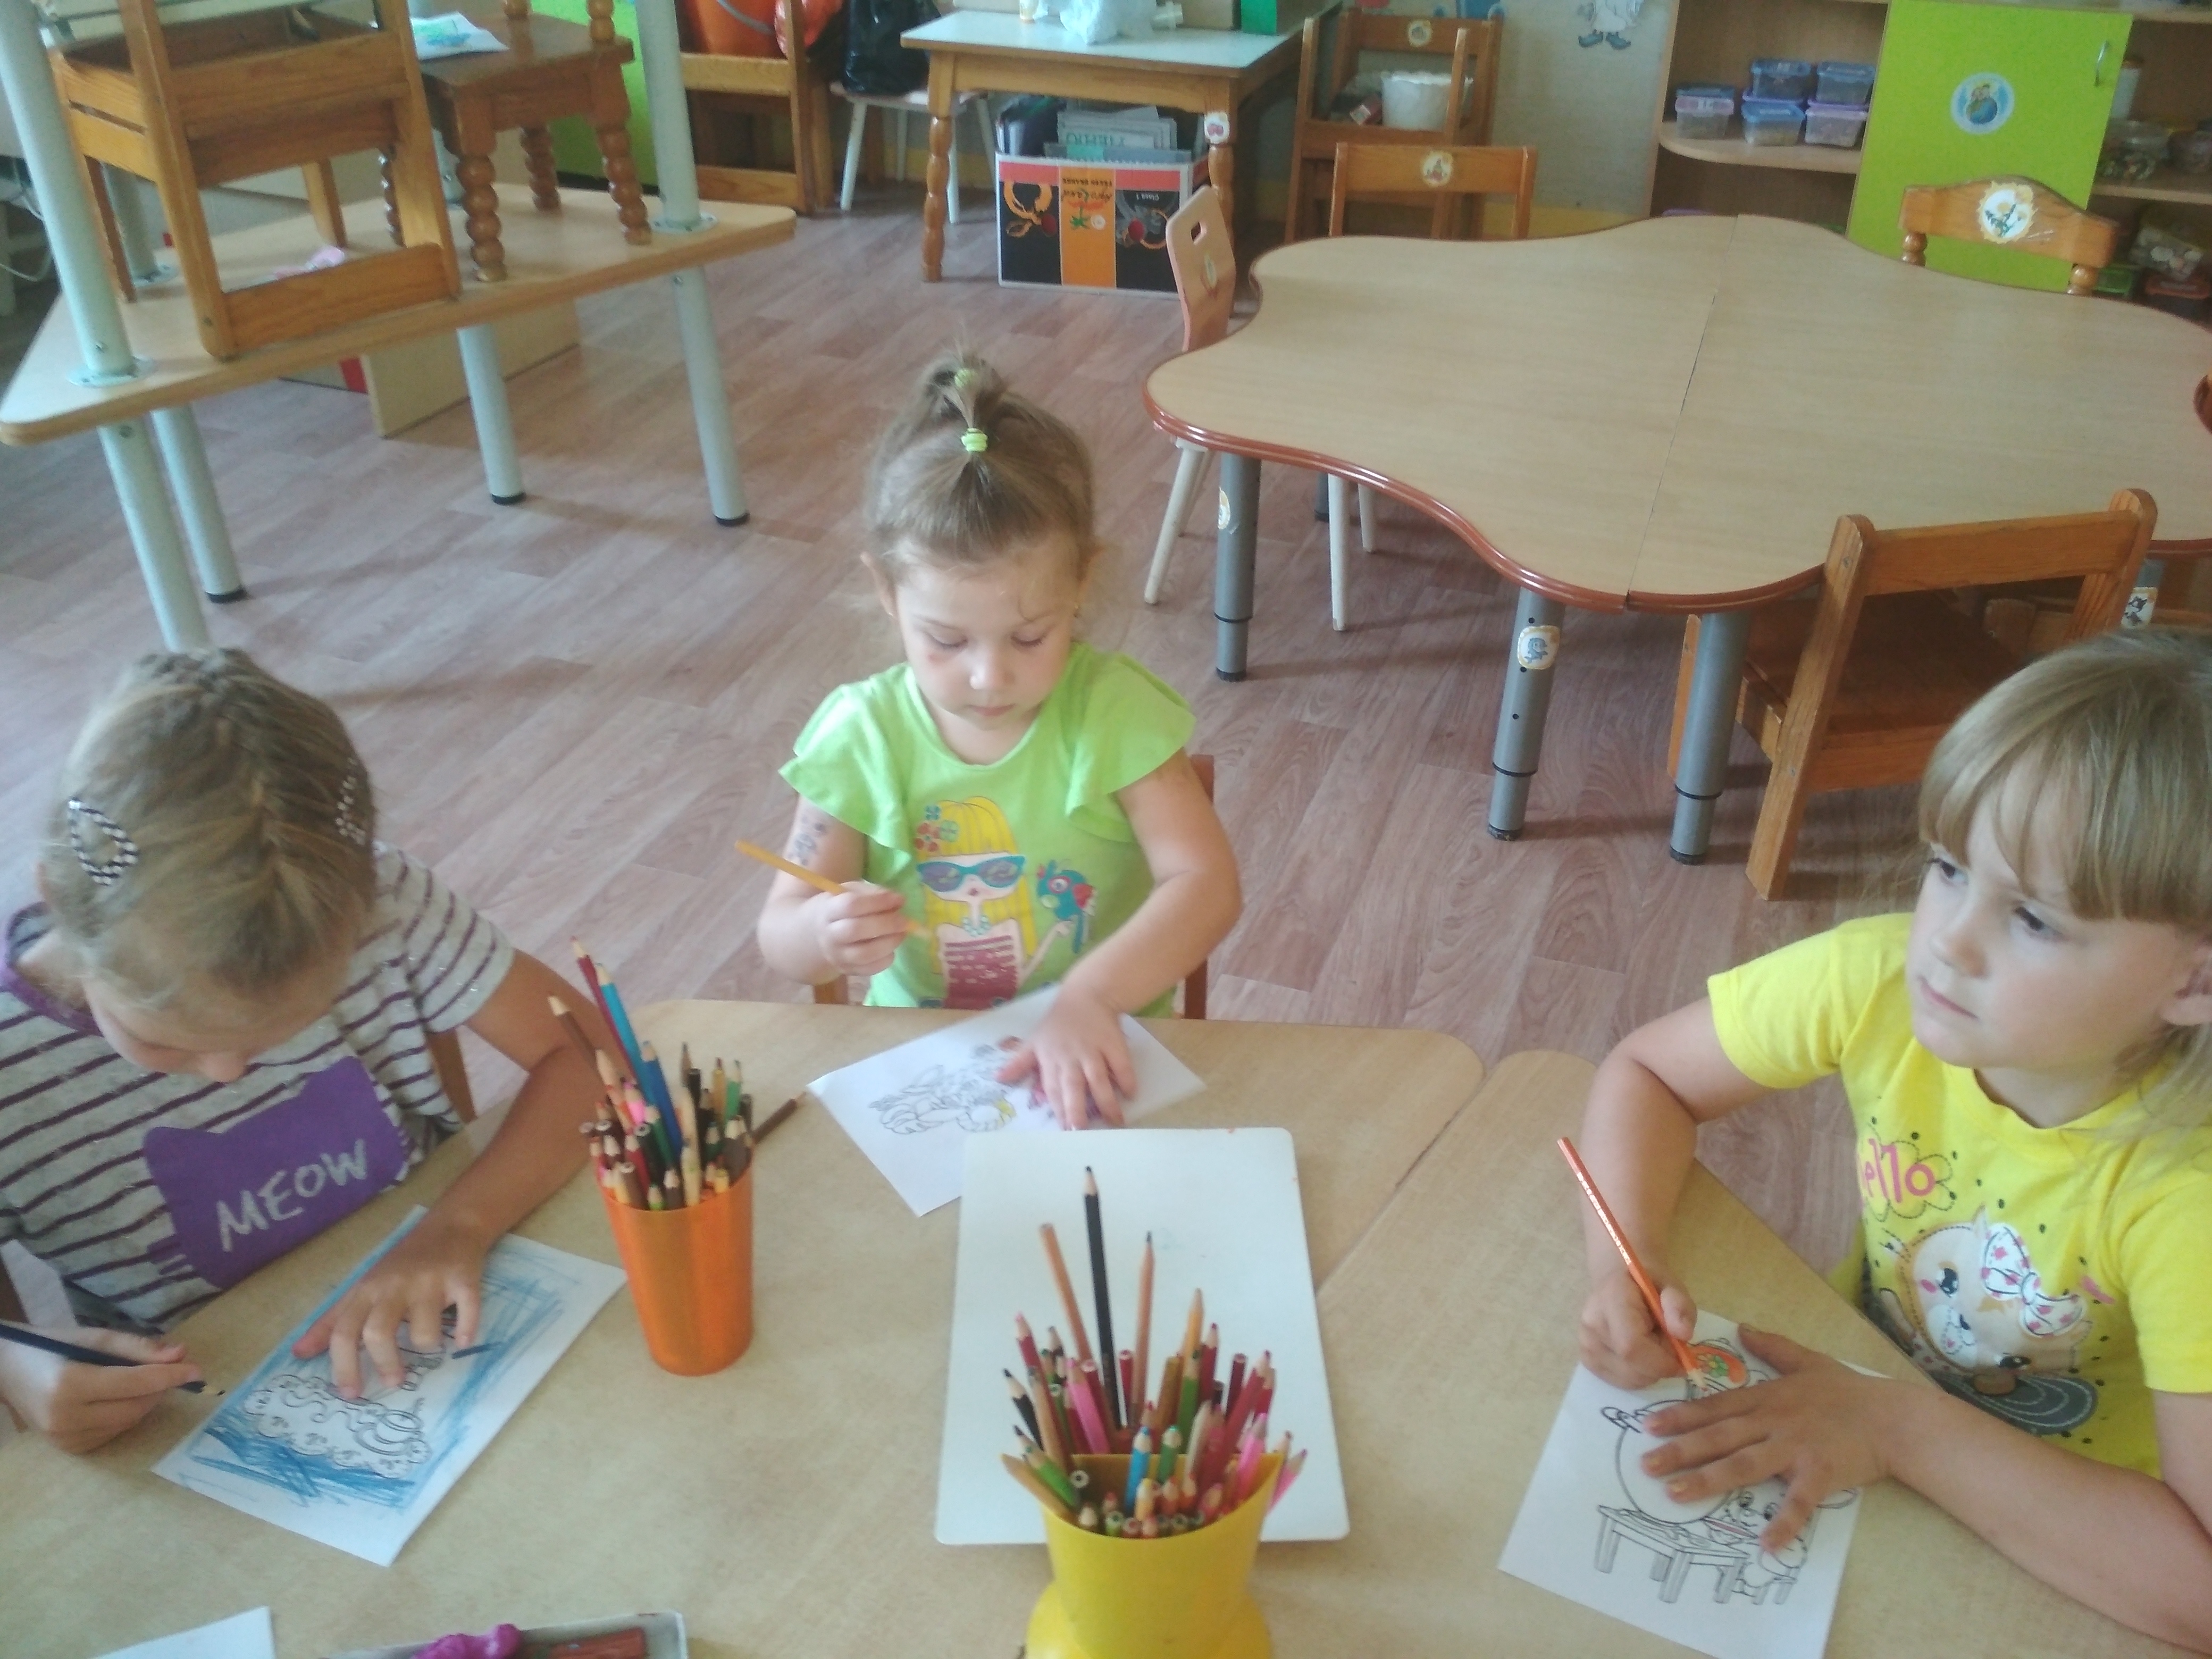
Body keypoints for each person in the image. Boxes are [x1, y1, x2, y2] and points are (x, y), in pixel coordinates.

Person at [1575, 629, 2212, 1650]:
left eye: (2035, 920)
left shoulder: (2188, 1196)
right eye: (1949, 868)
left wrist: (1897, 1426)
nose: (1947, 940)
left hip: (2073, 1540)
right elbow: (1647, 1076)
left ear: (2197, 978)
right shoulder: (1877, 981)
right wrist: (1626, 1261)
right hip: (1857, 1410)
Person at [0, 650, 605, 1450]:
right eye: (164, 1037)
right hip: (193, 1417)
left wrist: (460, 1224)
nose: (228, 1071)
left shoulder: (384, 907)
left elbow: (593, 1057)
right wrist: (15, 1364)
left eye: (283, 1030)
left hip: (442, 1308)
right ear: (57, 900)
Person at [756, 351, 1240, 1127]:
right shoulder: (861, 736)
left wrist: (1092, 996)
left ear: (1081, 583)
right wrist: (820, 933)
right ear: (886, 593)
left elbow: (1207, 885)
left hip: (1107, 1047)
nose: (989, 678)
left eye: (1029, 636)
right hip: (919, 1061)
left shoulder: (1114, 713)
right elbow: (781, 931)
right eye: (947, 641)